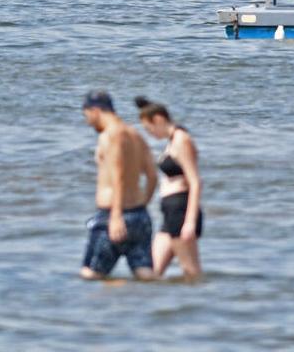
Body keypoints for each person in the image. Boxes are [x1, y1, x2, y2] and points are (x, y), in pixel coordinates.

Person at [79, 91, 156, 281]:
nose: (87, 121)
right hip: (139, 216)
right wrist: (141, 206)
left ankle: (114, 306)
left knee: (90, 275)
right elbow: (153, 176)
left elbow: (118, 176)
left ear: (96, 110)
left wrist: (116, 216)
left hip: (113, 216)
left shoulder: (111, 135)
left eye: (87, 115)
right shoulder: (135, 134)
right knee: (145, 274)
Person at [135, 97, 203, 280]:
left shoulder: (182, 140)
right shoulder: (172, 141)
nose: (149, 134)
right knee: (151, 273)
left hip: (181, 212)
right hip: (169, 213)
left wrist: (189, 221)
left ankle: (202, 305)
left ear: (158, 120)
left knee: (191, 272)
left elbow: (195, 182)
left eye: (149, 129)